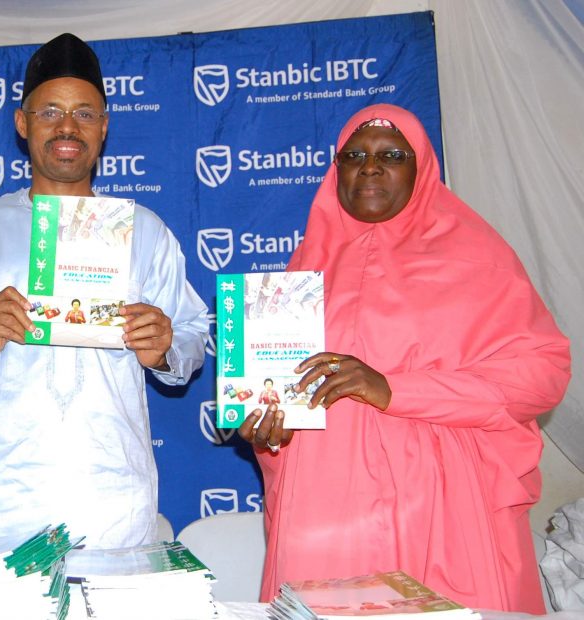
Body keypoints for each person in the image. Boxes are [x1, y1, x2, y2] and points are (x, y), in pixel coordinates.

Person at [239, 104, 570, 612]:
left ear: (421, 169)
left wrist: (395, 388)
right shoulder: (304, 268)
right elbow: (286, 398)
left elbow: (541, 373)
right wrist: (269, 432)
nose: (369, 167)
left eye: (391, 155)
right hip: (324, 508)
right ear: (337, 171)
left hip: (439, 508)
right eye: (354, 156)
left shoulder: (478, 259)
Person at [0, 33, 207, 548]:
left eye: (85, 114)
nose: (68, 127)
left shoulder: (144, 229)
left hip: (110, 494)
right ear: (22, 123)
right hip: (0, 496)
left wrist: (166, 345)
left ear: (104, 126)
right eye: (50, 112)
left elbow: (195, 335)